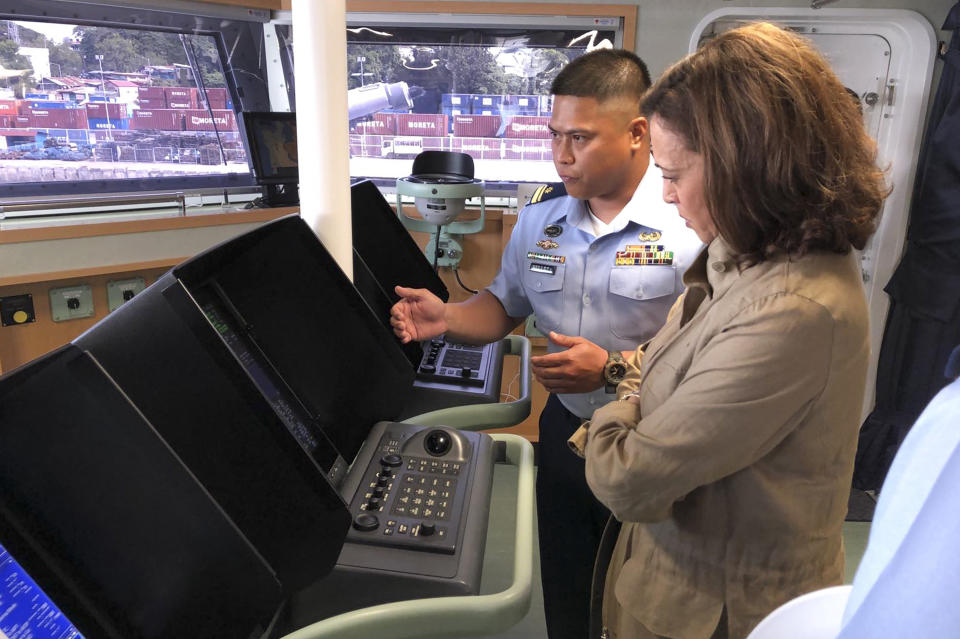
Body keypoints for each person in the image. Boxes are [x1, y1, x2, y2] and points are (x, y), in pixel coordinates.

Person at [568, 23, 889, 639]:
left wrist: (619, 409)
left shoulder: (794, 308)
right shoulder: (743, 250)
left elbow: (630, 480)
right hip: (666, 571)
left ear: (748, 167)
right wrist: (632, 384)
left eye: (676, 173)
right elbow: (662, 358)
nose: (665, 196)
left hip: (717, 610)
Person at [390, 49, 702, 639]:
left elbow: (708, 350)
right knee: (567, 583)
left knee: (649, 596)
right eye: (555, 135)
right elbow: (505, 306)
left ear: (638, 134)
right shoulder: (540, 220)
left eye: (580, 138)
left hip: (657, 438)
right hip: (564, 432)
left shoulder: (689, 222)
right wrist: (447, 318)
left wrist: (609, 368)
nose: (561, 155)